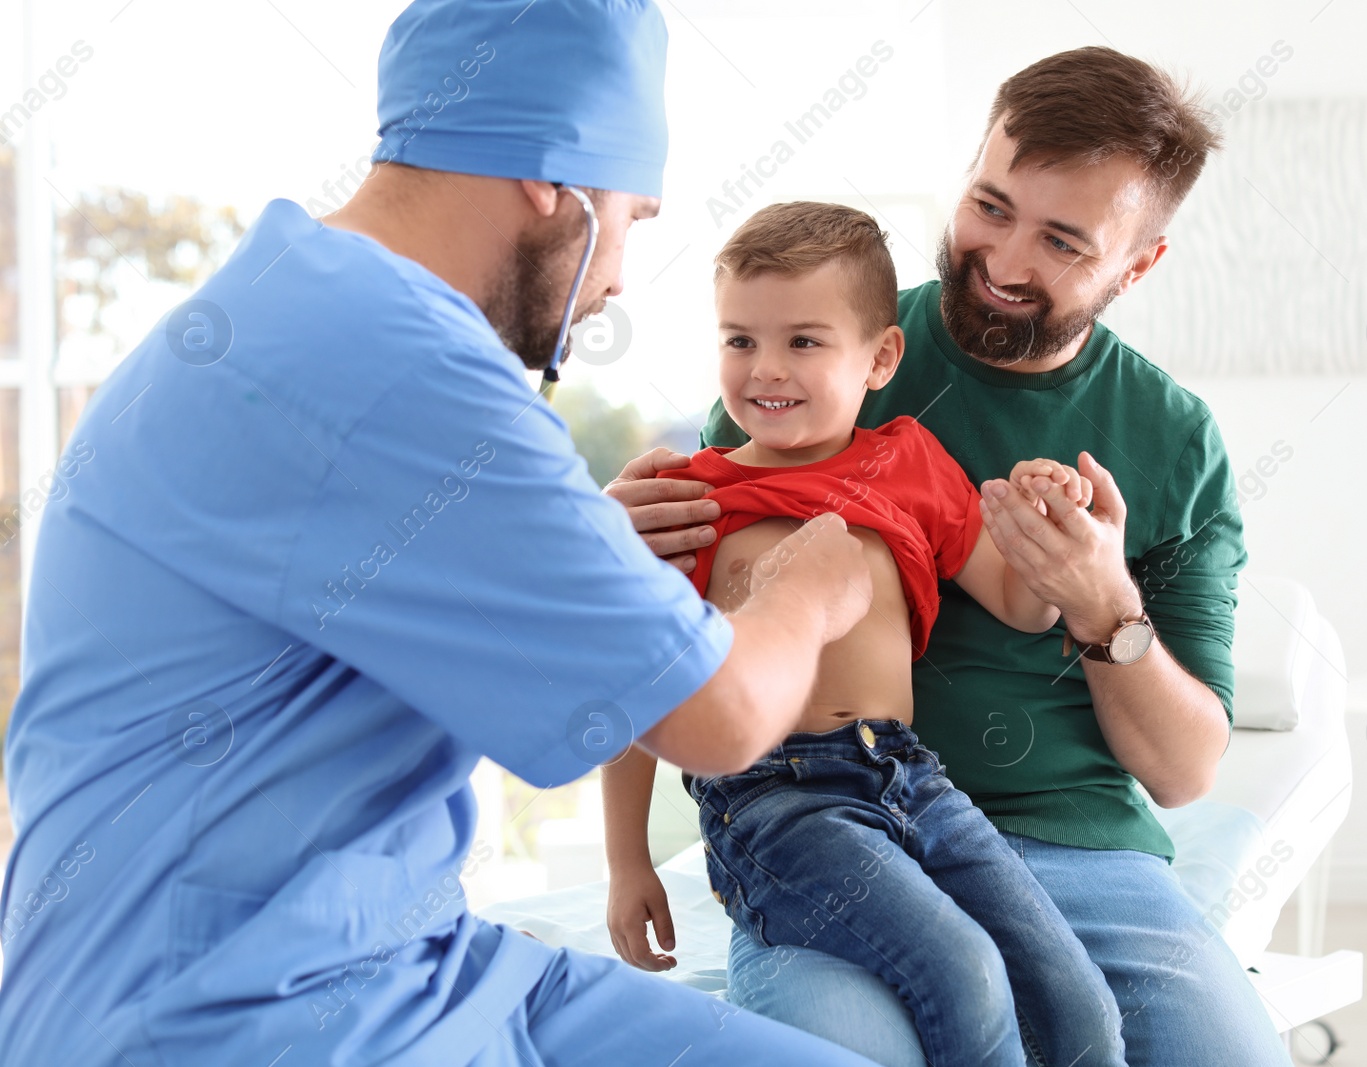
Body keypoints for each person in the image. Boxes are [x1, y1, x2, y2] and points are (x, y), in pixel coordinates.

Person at [0, 2, 881, 1065]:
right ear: (553, 180)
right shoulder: (404, 363)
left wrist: (571, 548)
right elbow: (723, 714)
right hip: (229, 1012)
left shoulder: (296, 298)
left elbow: (336, 569)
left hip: (411, 951)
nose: (612, 283)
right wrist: (808, 585)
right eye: (634, 219)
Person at [605, 46, 1293, 1067]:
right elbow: (676, 643)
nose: (1006, 263)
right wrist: (614, 539)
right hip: (818, 818)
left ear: (1136, 263)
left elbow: (1185, 768)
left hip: (1068, 842)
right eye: (989, 206)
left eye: (1062, 241)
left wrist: (1100, 598)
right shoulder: (816, 347)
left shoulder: (1171, 438)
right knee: (850, 1048)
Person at [602, 202, 1124, 1067]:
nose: (765, 368)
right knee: (965, 974)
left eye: (804, 341)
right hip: (775, 802)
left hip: (914, 781)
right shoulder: (686, 497)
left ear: (880, 357)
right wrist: (629, 863)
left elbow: (1022, 603)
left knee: (1073, 994)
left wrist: (1045, 520)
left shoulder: (908, 460)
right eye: (740, 340)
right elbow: (638, 687)